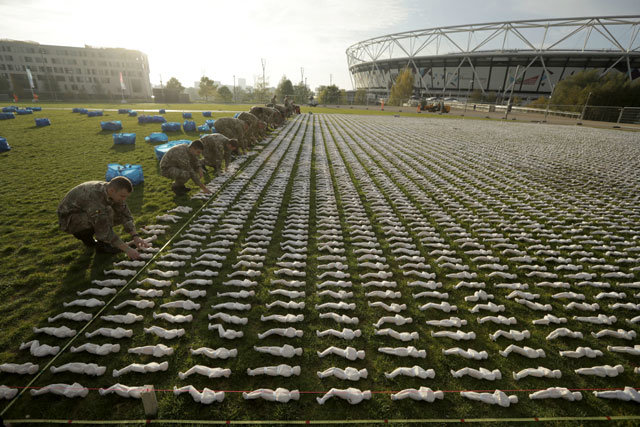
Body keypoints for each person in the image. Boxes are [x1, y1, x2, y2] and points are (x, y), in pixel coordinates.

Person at [57, 176, 149, 259]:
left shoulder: (112, 192)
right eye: (122, 196)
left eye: (126, 197)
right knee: (106, 214)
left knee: (110, 212)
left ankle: (99, 242)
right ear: (112, 190)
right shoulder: (94, 198)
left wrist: (135, 236)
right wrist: (127, 249)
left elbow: (124, 214)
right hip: (69, 219)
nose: (124, 199)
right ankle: (93, 241)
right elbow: (103, 229)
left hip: (85, 211)